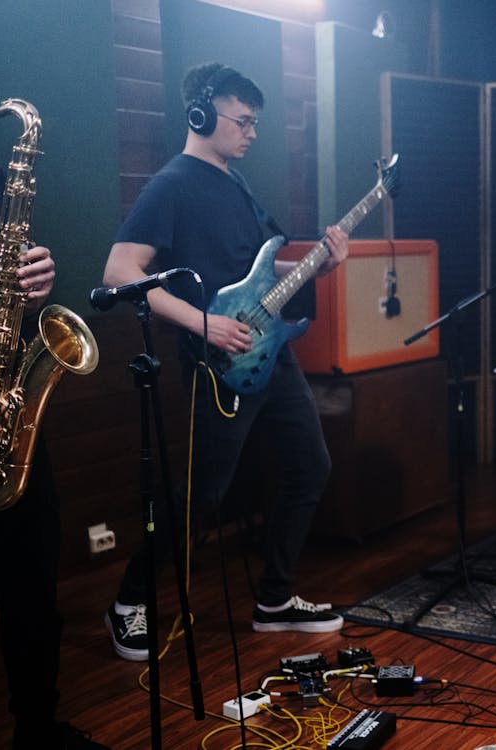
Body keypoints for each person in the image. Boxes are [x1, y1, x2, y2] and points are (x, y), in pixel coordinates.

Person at [102, 62, 347, 662]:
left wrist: (318, 264)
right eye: (243, 120)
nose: (252, 133)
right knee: (200, 496)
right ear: (201, 115)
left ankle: (275, 601)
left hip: (272, 356)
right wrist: (201, 322)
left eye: (256, 122)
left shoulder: (236, 185)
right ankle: (129, 600)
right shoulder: (172, 185)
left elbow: (257, 279)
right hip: (219, 367)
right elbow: (118, 272)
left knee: (310, 466)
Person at [0, 50, 109, 749]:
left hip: (2, 408)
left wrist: (36, 284)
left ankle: (37, 727)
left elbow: (1, 296)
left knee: (32, 581)